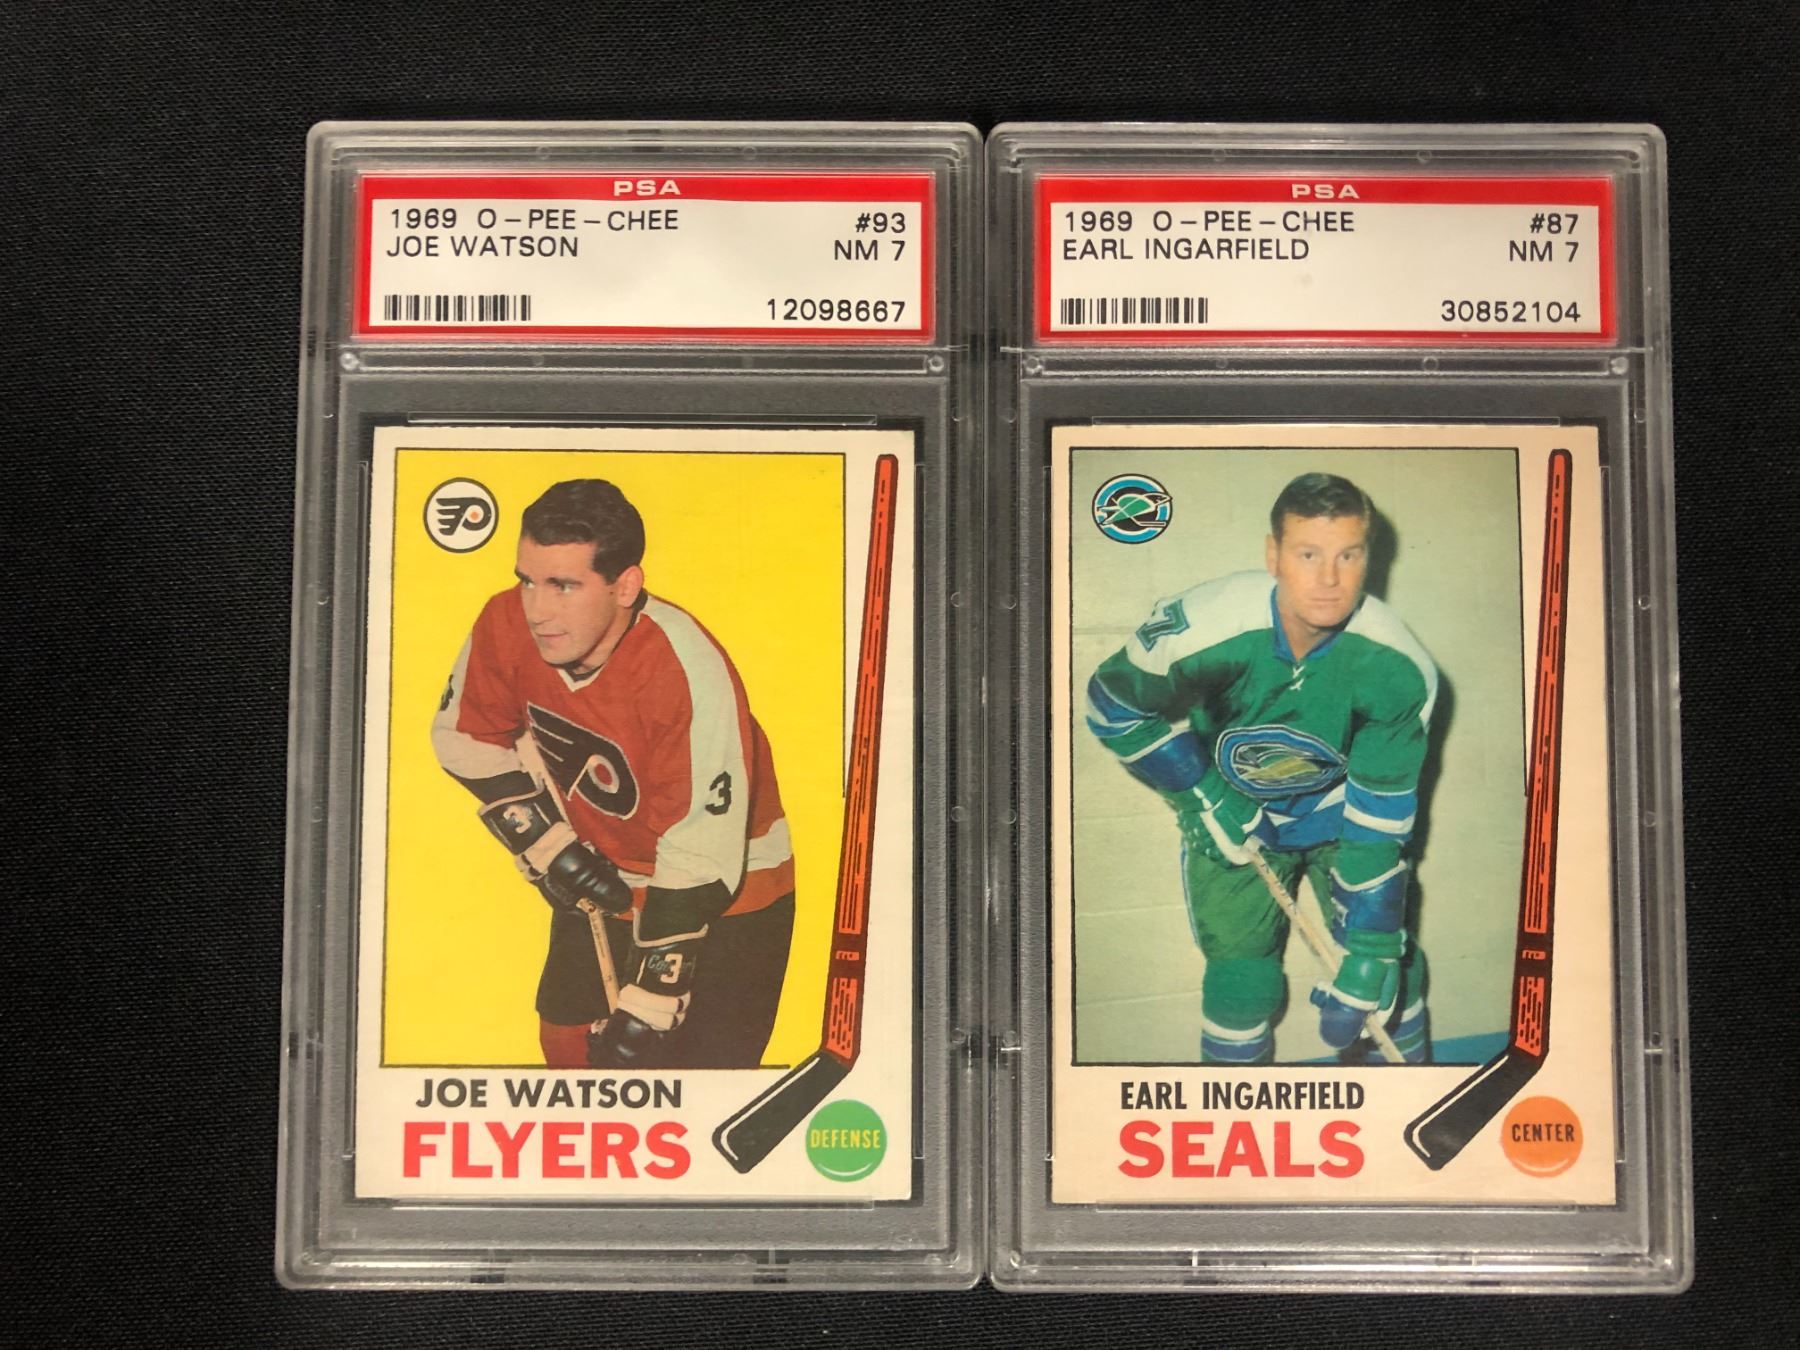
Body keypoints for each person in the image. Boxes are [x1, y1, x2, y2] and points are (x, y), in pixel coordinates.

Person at [431, 479, 794, 1070]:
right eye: (528, 580)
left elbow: (702, 854)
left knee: (695, 1082)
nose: (537, 610)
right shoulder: (506, 621)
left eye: (564, 586)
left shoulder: (684, 668)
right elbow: (465, 736)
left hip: (730, 892)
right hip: (605, 868)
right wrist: (549, 846)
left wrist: (650, 1001)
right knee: (568, 1051)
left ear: (624, 586)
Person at [1085, 472, 1436, 1065]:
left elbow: (1379, 815)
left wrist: (1372, 943)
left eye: (1348, 555)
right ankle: (1235, 1106)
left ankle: (1407, 1100)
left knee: (1387, 980)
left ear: (1368, 559)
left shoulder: (1397, 666)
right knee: (1241, 984)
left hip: (1342, 814)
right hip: (1231, 805)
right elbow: (1112, 707)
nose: (1329, 579)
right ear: (1273, 554)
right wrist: (1202, 793)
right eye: (1308, 554)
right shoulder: (1208, 626)